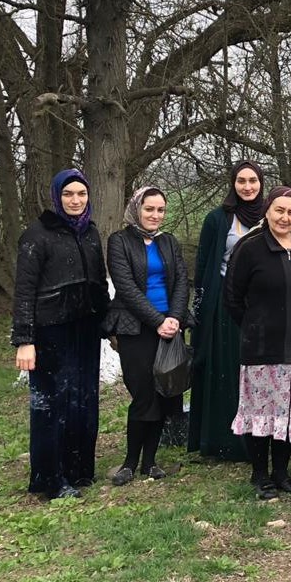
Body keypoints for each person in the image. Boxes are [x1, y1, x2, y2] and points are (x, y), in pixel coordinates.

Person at [12, 169, 109, 499]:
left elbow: (99, 283)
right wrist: (25, 340)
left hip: (85, 330)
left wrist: (108, 325)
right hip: (50, 331)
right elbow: (24, 291)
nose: (75, 200)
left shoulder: (90, 232)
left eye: (81, 194)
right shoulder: (36, 235)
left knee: (83, 400)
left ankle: (79, 470)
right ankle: (50, 479)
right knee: (52, 406)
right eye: (68, 194)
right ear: (57, 197)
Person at [225, 186, 291, 497]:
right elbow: (233, 297)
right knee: (261, 413)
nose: (285, 217)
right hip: (263, 348)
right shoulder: (249, 249)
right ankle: (259, 474)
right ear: (267, 211)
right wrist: (255, 326)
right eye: (279, 210)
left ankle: (281, 472)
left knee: (290, 412)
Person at [105, 186, 191, 484]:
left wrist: (174, 318)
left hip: (169, 327)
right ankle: (130, 462)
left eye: (160, 210)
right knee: (143, 394)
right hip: (135, 328)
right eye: (149, 209)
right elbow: (125, 287)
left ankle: (150, 462)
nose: (155, 215)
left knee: (163, 392)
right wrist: (157, 321)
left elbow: (181, 282)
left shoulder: (169, 242)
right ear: (136, 209)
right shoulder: (119, 241)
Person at [188, 161, 265, 462]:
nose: (247, 186)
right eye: (241, 181)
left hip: (259, 302)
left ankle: (259, 437)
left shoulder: (270, 214)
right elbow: (203, 265)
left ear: (261, 183)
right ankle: (225, 439)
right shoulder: (217, 219)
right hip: (224, 302)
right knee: (226, 369)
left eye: (253, 180)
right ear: (233, 183)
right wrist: (201, 306)